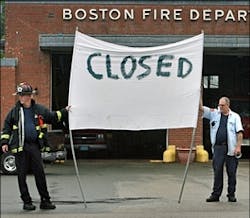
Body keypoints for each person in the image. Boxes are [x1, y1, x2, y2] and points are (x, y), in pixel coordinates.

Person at [1, 82, 68, 210]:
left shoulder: (39, 109)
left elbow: (53, 117)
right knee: (21, 175)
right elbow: (6, 128)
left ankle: (45, 201)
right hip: (20, 148)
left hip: (34, 146)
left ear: (29, 96)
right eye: (19, 95)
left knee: (40, 174)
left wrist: (65, 111)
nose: (20, 98)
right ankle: (27, 202)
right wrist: (4, 143)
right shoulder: (14, 112)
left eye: (22, 95)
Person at [200, 96, 244, 202]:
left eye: (222, 105)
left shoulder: (235, 117)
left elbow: (239, 133)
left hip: (231, 148)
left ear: (228, 105)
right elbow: (201, 108)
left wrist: (238, 147)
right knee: (217, 171)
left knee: (232, 172)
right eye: (219, 105)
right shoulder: (214, 113)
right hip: (218, 148)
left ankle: (231, 194)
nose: (220, 107)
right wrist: (199, 95)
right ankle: (216, 195)